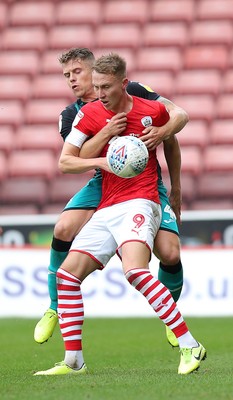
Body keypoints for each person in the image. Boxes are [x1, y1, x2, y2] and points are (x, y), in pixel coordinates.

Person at [34, 53, 206, 376]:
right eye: (96, 87)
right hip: (107, 202)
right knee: (67, 275)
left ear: (124, 84)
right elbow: (65, 162)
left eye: (105, 87)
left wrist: (163, 132)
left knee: (137, 270)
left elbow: (180, 117)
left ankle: (189, 343)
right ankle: (73, 361)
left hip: (142, 198)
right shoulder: (84, 115)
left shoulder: (148, 107)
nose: (99, 94)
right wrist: (103, 160)